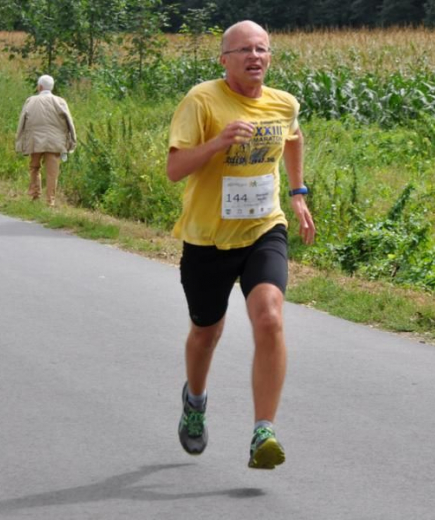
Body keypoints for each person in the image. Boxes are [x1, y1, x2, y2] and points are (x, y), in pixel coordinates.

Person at [166, 20, 315, 469]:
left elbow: (293, 138)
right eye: (244, 50)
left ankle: (263, 430)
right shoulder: (202, 100)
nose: (255, 56)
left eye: (262, 49)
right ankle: (195, 401)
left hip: (264, 229)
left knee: (269, 317)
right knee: (206, 332)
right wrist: (218, 143)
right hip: (208, 238)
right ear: (224, 59)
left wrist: (297, 193)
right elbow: (175, 169)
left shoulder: (283, 103)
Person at [15, 74, 76, 207]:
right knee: (52, 172)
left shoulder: (30, 101)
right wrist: (72, 141)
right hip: (55, 142)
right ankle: (50, 201)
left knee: (34, 167)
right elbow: (70, 122)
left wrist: (20, 141)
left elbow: (22, 122)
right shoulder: (60, 101)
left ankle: (35, 196)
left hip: (35, 141)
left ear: (40, 87)